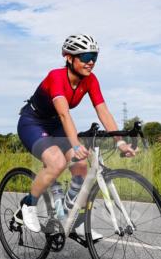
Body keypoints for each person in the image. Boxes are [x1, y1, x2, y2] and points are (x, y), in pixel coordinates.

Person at [15, 34, 135, 241]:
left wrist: (120, 142)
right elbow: (64, 114)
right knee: (57, 163)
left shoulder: (90, 80)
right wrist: (76, 144)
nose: (91, 62)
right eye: (85, 56)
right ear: (69, 58)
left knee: (81, 166)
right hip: (33, 122)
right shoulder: (56, 77)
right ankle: (28, 205)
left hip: (55, 124)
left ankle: (70, 220)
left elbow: (103, 111)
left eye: (94, 57)